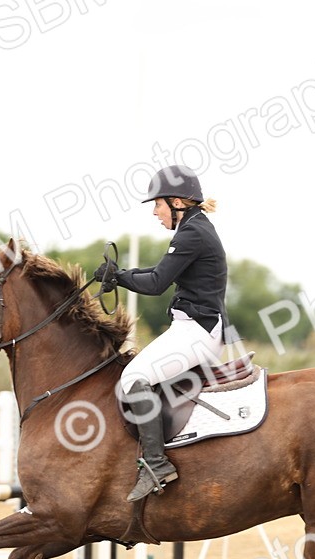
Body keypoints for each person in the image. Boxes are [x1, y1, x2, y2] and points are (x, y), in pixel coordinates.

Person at [94, 164, 228, 502]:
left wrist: (119, 277)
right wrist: (120, 274)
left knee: (133, 378)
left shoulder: (192, 233)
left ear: (178, 202)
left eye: (158, 205)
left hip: (198, 330)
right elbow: (157, 271)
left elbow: (155, 284)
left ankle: (156, 464)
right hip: (193, 327)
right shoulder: (193, 228)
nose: (155, 213)